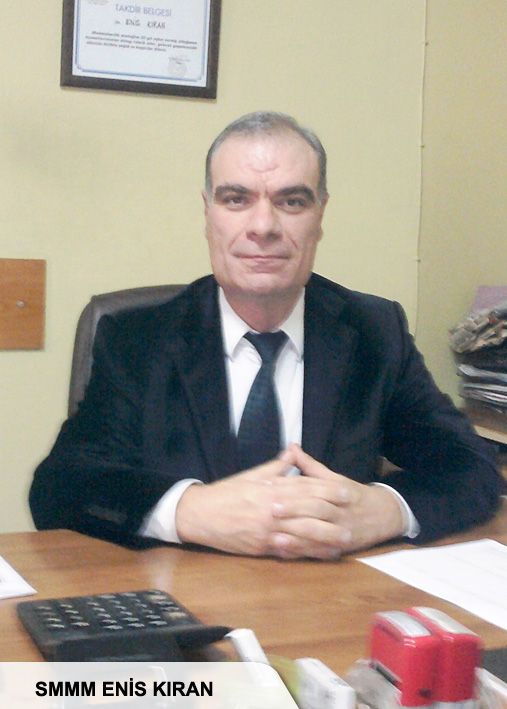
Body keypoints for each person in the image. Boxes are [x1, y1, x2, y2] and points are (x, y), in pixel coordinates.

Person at [29, 112, 503, 560]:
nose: (263, 227)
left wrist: (384, 510)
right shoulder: (138, 338)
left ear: (320, 215)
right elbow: (61, 487)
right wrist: (189, 510)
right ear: (208, 213)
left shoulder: (373, 333)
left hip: (330, 597)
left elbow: (471, 465)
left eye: (291, 201)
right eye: (236, 199)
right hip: (182, 594)